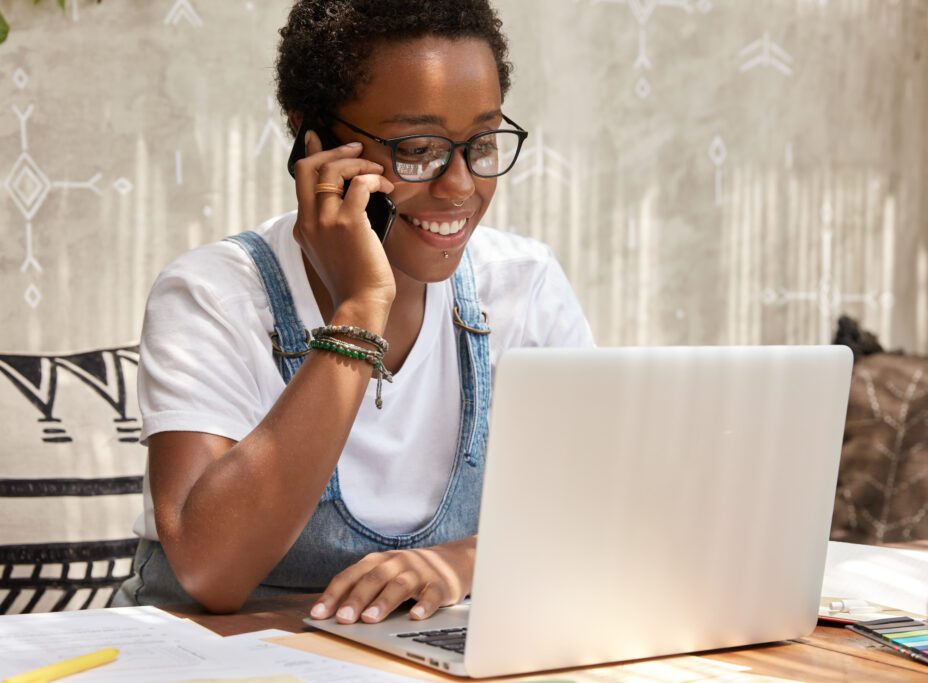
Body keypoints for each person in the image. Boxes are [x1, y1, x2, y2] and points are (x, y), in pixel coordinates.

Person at [114, 0, 593, 624]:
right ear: (315, 142)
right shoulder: (213, 296)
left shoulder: (522, 288)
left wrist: (465, 562)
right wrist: (360, 308)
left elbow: (594, 517)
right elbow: (212, 574)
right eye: (417, 149)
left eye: (481, 143)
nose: (459, 185)